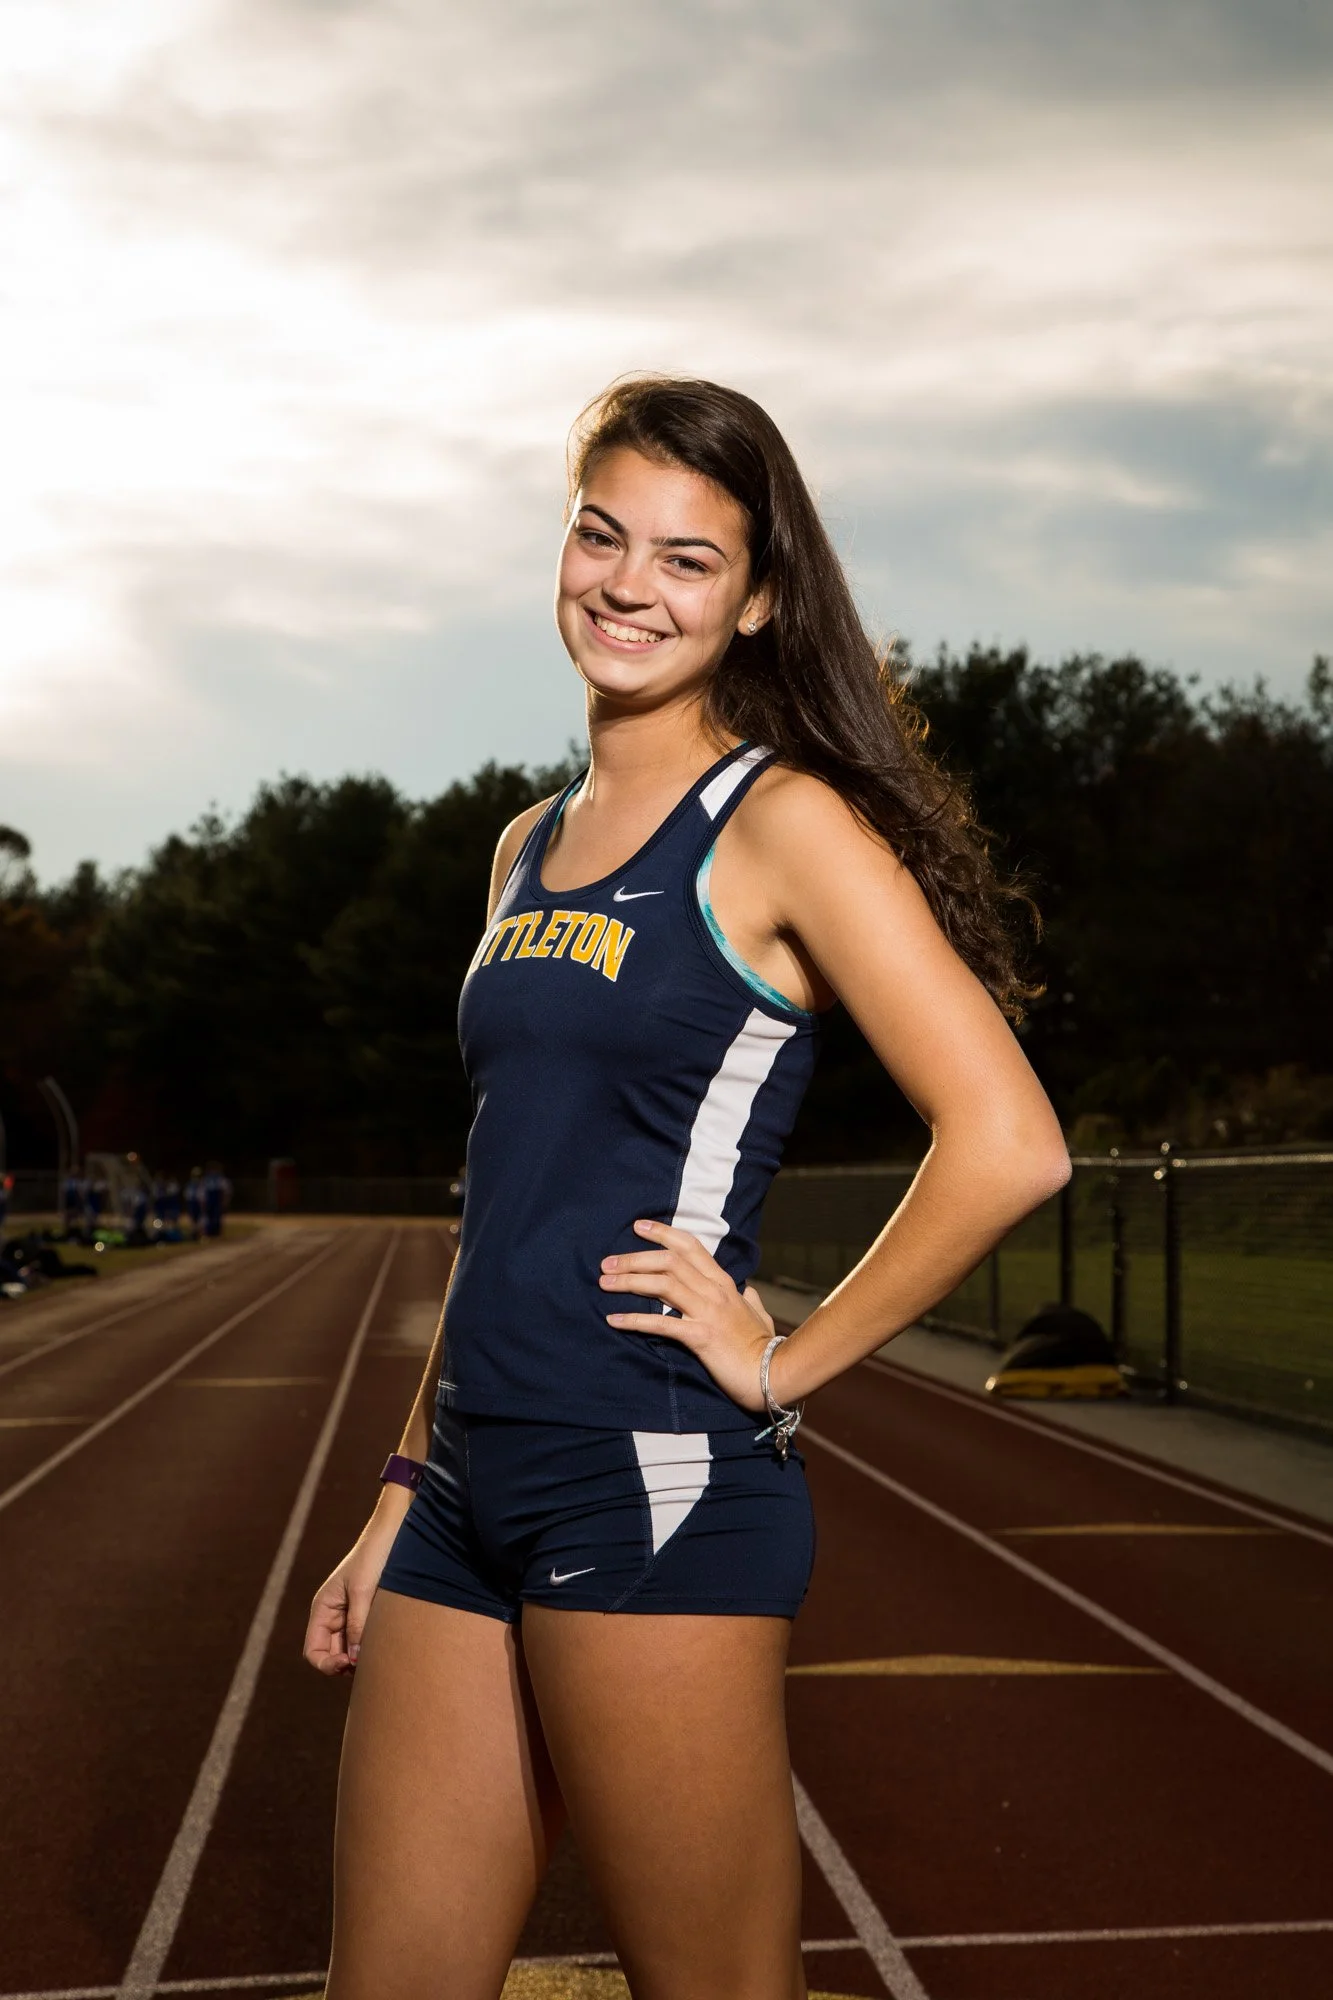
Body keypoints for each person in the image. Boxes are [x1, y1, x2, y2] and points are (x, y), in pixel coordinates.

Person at [303, 376, 1070, 2000]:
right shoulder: (523, 846)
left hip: (644, 1474)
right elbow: (505, 1193)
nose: (629, 584)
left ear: (759, 597)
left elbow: (1010, 1139)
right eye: (601, 535)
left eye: (687, 558)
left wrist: (785, 1361)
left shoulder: (779, 825)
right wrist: (394, 1486)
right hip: (462, 1493)